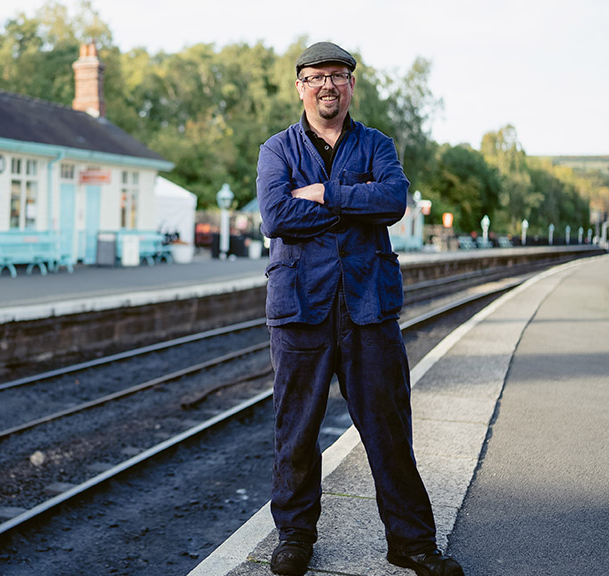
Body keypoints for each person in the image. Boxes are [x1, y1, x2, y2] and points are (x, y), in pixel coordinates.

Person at [255, 41, 465, 576]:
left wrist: (324, 194)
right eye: (316, 77)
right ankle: (294, 537)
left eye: (338, 76)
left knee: (388, 428)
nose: (327, 85)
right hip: (300, 307)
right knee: (296, 429)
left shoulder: (377, 144)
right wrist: (356, 201)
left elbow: (392, 202)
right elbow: (276, 216)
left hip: (368, 306)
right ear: (300, 87)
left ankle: (412, 544)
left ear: (351, 85)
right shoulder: (276, 150)